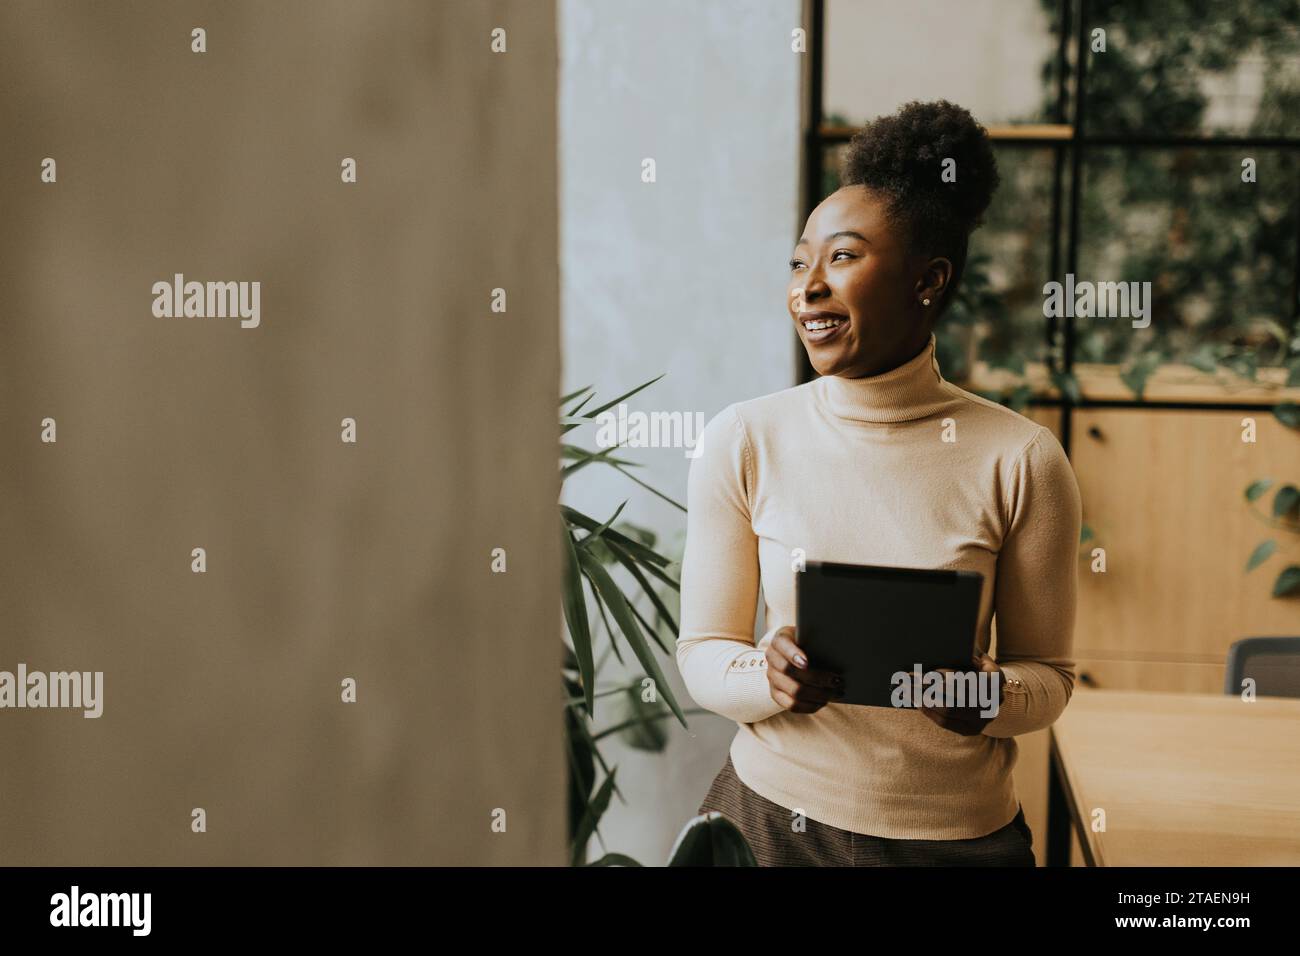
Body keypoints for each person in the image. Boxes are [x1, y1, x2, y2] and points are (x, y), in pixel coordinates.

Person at [676, 100, 1082, 866]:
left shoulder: (1022, 459)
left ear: (928, 279)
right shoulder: (744, 437)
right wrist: (762, 674)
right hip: (768, 824)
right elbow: (703, 651)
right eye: (800, 262)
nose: (809, 288)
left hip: (956, 845)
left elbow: (1051, 678)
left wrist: (986, 698)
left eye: (843, 257)